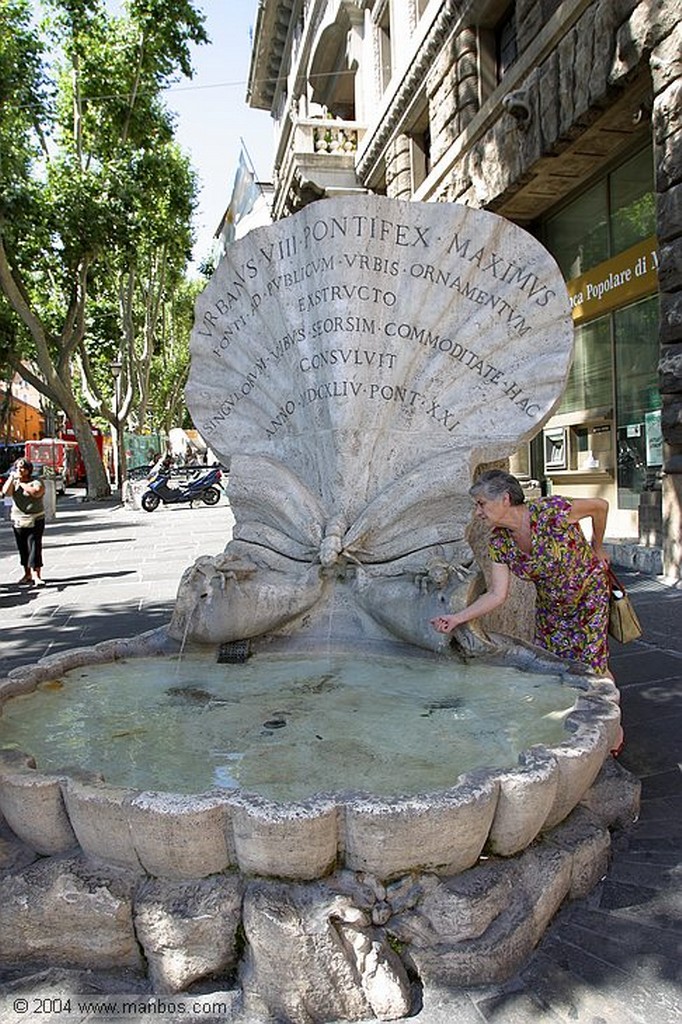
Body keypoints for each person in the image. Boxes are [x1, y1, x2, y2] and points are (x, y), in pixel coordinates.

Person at [431, 469, 612, 676]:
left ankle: (609, 705)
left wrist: (598, 547)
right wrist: (457, 618)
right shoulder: (500, 542)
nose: (477, 513)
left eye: (481, 504)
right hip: (551, 610)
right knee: (555, 667)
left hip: (588, 598)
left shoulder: (551, 511)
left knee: (593, 668)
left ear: (505, 499)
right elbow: (496, 594)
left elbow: (600, 507)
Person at [2, 457, 47, 586]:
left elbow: (36, 493)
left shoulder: (36, 481)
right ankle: (27, 574)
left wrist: (21, 483)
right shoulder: (14, 481)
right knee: (23, 548)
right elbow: (6, 492)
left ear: (28, 469)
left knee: (34, 546)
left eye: (22, 467)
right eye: (17, 467)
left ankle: (36, 575)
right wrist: (12, 478)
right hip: (19, 520)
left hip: (36, 519)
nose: (19, 470)